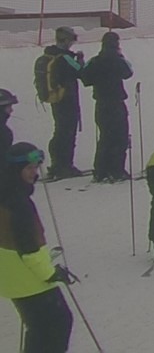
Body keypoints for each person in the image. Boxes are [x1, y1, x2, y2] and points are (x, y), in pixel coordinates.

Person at [0, 143, 75, 353]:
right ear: (16, 169)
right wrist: (50, 273)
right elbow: (29, 249)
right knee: (57, 324)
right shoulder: (18, 203)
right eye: (29, 168)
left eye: (35, 167)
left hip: (11, 276)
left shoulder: (6, 194)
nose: (34, 173)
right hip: (28, 278)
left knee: (40, 328)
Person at [80, 31, 133, 183]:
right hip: (116, 103)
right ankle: (116, 170)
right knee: (120, 137)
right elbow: (128, 72)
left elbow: (85, 78)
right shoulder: (118, 60)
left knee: (105, 137)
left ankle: (101, 170)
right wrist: (120, 56)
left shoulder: (95, 61)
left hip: (101, 104)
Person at [33, 29, 85, 181]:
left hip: (55, 98)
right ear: (66, 40)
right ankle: (64, 165)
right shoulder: (65, 57)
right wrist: (80, 60)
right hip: (67, 99)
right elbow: (81, 72)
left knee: (60, 130)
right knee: (67, 132)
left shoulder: (49, 55)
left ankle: (57, 164)